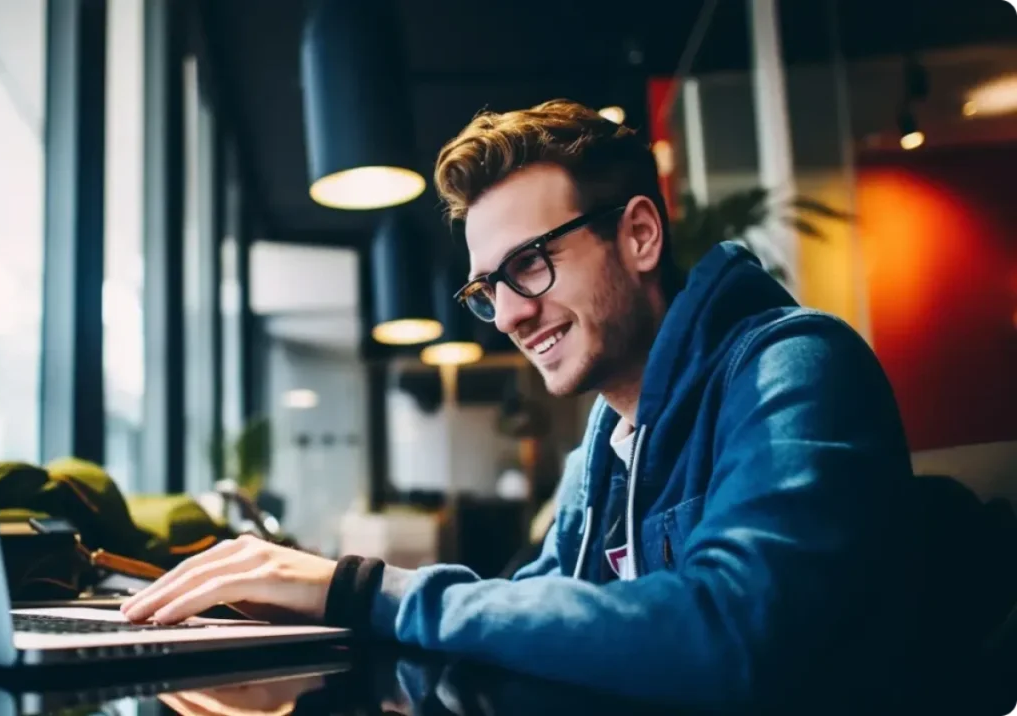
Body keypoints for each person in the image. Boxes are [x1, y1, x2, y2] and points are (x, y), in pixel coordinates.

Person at [122, 99, 919, 708]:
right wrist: (319, 621)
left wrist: (362, 590)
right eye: (488, 287)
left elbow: (737, 636)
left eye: (531, 264)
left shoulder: (795, 366)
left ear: (639, 235)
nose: (507, 315)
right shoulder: (608, 438)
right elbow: (524, 608)